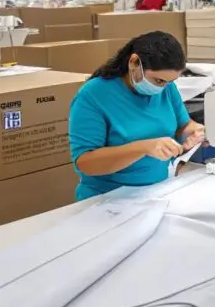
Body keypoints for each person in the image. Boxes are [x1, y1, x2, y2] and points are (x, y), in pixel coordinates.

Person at [68, 31, 204, 201]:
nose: (163, 87)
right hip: (108, 200)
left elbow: (182, 125)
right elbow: (85, 162)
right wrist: (144, 148)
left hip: (157, 192)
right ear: (133, 62)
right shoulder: (93, 95)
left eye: (170, 82)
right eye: (159, 81)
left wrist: (192, 132)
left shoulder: (166, 88)